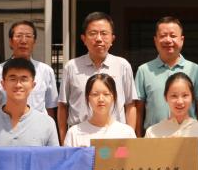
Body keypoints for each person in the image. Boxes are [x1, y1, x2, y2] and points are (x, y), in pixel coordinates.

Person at [58, 12, 138, 143]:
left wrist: (129, 140)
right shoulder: (71, 67)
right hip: (80, 138)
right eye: (93, 33)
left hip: (115, 138)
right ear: (83, 38)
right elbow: (62, 106)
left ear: (112, 38)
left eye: (104, 33)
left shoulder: (122, 65)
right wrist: (63, 141)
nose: (99, 38)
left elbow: (130, 105)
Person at [135, 16, 198, 135]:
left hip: (189, 137)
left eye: (173, 36)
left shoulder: (195, 69)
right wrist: (138, 139)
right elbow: (138, 111)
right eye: (163, 36)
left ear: (182, 39)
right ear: (155, 40)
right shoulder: (143, 71)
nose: (168, 40)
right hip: (154, 137)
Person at [0, 20, 58, 118]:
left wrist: (50, 126)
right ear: (10, 41)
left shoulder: (46, 71)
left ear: (34, 42)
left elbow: (50, 108)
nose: (23, 41)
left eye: (28, 36)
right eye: (19, 36)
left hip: (37, 126)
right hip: (6, 125)